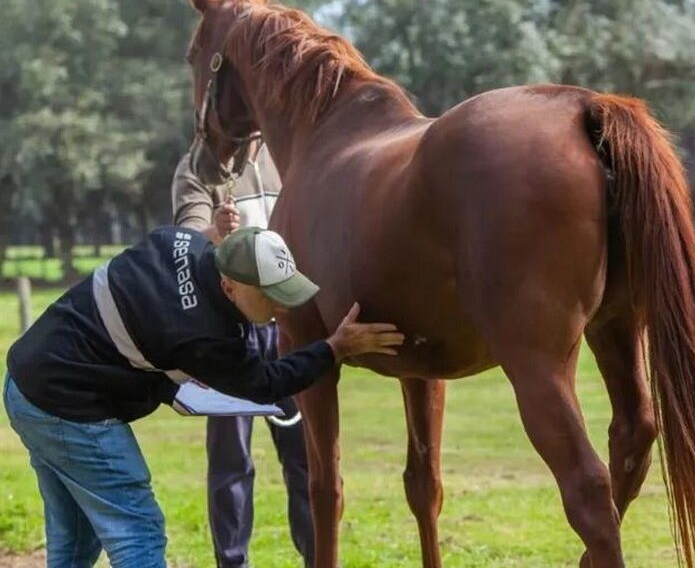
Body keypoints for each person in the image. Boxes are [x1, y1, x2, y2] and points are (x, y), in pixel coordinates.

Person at [4, 225, 404, 568]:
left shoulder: (178, 240)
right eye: (270, 296)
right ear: (229, 285)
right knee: (137, 530)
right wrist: (335, 347)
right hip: (65, 405)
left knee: (77, 537)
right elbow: (267, 383)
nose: (282, 306)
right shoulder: (206, 334)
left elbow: (150, 302)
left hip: (27, 381)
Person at [172, 143, 313, 568]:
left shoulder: (290, 154)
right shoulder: (199, 167)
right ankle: (233, 563)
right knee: (232, 460)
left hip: (290, 324)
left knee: (306, 455)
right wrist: (216, 231)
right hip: (231, 332)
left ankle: (319, 556)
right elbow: (187, 241)